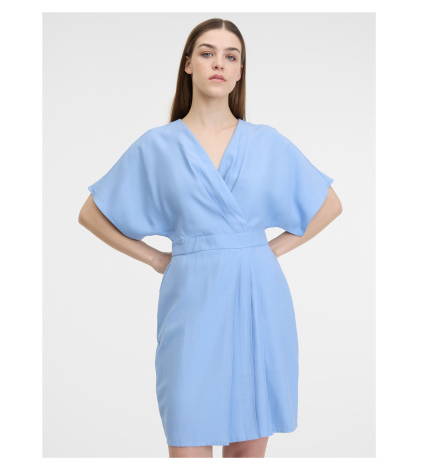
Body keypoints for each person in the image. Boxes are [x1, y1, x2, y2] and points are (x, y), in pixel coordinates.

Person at [78, 18, 342, 458]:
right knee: (187, 443)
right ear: (188, 65)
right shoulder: (157, 146)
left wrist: (268, 251)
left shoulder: (266, 142)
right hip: (191, 302)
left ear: (240, 72)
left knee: (246, 453)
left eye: (230, 56)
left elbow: (328, 205)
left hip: (258, 298)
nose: (219, 63)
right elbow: (91, 214)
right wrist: (156, 258)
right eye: (207, 53)